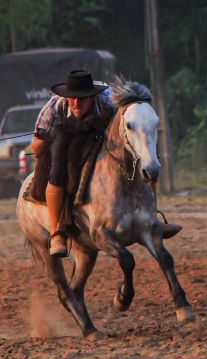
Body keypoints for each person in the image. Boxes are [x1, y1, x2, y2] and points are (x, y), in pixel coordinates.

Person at [32, 70, 181, 257]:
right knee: (59, 170)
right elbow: (36, 148)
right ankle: (57, 232)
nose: (76, 103)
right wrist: (49, 136)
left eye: (82, 99)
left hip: (99, 133)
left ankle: (152, 219)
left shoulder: (108, 101)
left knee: (147, 159)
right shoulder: (54, 107)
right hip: (64, 136)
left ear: (93, 98)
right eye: (72, 99)